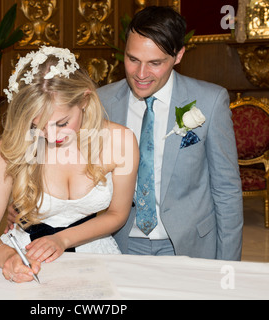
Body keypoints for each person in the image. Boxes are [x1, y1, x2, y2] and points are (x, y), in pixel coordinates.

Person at [0, 46, 139, 283]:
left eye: (62, 123)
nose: (50, 136)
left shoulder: (121, 141)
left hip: (93, 253)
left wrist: (63, 239)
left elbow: (118, 214)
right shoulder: (12, 148)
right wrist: (7, 256)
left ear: (84, 99)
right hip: (26, 255)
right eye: (37, 125)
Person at [98, 6, 243, 260]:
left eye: (155, 63)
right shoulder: (102, 102)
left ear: (178, 56)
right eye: (133, 59)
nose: (141, 75)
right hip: (119, 243)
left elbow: (226, 190)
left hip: (190, 246)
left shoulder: (210, 101)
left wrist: (229, 267)